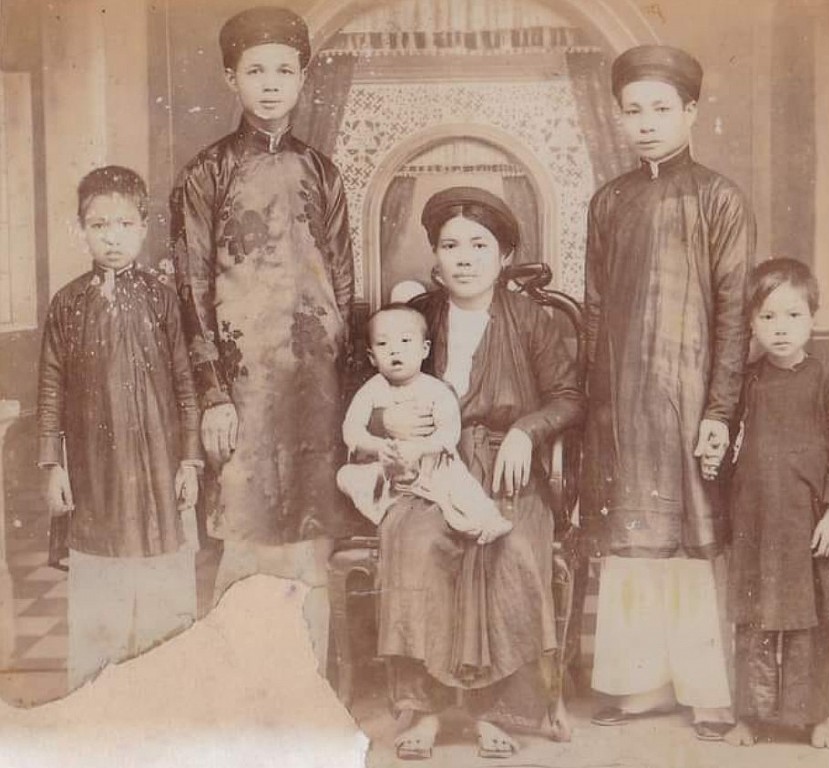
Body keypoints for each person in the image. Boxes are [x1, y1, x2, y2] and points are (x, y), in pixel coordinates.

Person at [170, 6, 354, 670]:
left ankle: (308, 688)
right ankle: (241, 689)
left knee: (309, 536)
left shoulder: (322, 171)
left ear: (303, 77)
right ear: (230, 78)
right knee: (244, 534)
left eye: (284, 70)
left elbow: (342, 284)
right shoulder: (206, 173)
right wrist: (213, 392)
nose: (270, 84)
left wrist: (343, 385)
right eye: (255, 71)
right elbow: (190, 291)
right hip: (241, 387)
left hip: (314, 386)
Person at [583, 44, 757, 740]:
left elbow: (736, 313)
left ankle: (707, 691)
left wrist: (718, 411)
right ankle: (637, 686)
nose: (646, 122)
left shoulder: (719, 198)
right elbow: (595, 311)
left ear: (691, 110)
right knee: (632, 543)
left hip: (689, 402)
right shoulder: (609, 200)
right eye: (633, 110)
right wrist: (597, 406)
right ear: (617, 118)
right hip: (620, 405)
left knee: (690, 544)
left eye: (661, 108)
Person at [374, 187, 585, 760]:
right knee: (415, 542)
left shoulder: (532, 320)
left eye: (479, 245)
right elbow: (370, 390)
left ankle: (504, 711)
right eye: (450, 245)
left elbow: (568, 397)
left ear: (505, 255)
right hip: (432, 470)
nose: (464, 257)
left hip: (505, 470)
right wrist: (388, 423)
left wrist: (526, 431)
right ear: (435, 258)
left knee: (511, 551)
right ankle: (426, 709)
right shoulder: (415, 320)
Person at [37, 166, 201, 690]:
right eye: (99, 224)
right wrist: (53, 464)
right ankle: (96, 705)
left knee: (162, 583)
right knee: (100, 584)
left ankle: (164, 698)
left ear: (144, 227)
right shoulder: (67, 303)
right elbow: (50, 388)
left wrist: (190, 460)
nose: (112, 236)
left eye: (125, 224)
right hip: (93, 470)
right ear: (80, 229)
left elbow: (184, 383)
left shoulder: (162, 298)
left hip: (158, 464)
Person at [722, 259, 829, 749]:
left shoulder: (826, 382)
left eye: (794, 316)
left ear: (813, 318)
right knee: (753, 623)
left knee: (812, 626)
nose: (781, 329)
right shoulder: (746, 382)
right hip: (756, 525)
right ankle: (750, 717)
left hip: (808, 526)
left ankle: (813, 715)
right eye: (768, 317)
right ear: (752, 323)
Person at [337, 303, 513, 544]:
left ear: (424, 349)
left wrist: (420, 448)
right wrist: (379, 447)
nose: (394, 351)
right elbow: (351, 430)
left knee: (460, 483)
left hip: (430, 466)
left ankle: (488, 518)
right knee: (346, 476)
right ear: (372, 357)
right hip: (385, 465)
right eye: (383, 344)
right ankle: (384, 508)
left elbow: (449, 434)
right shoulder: (370, 391)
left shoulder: (435, 390)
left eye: (405, 341)